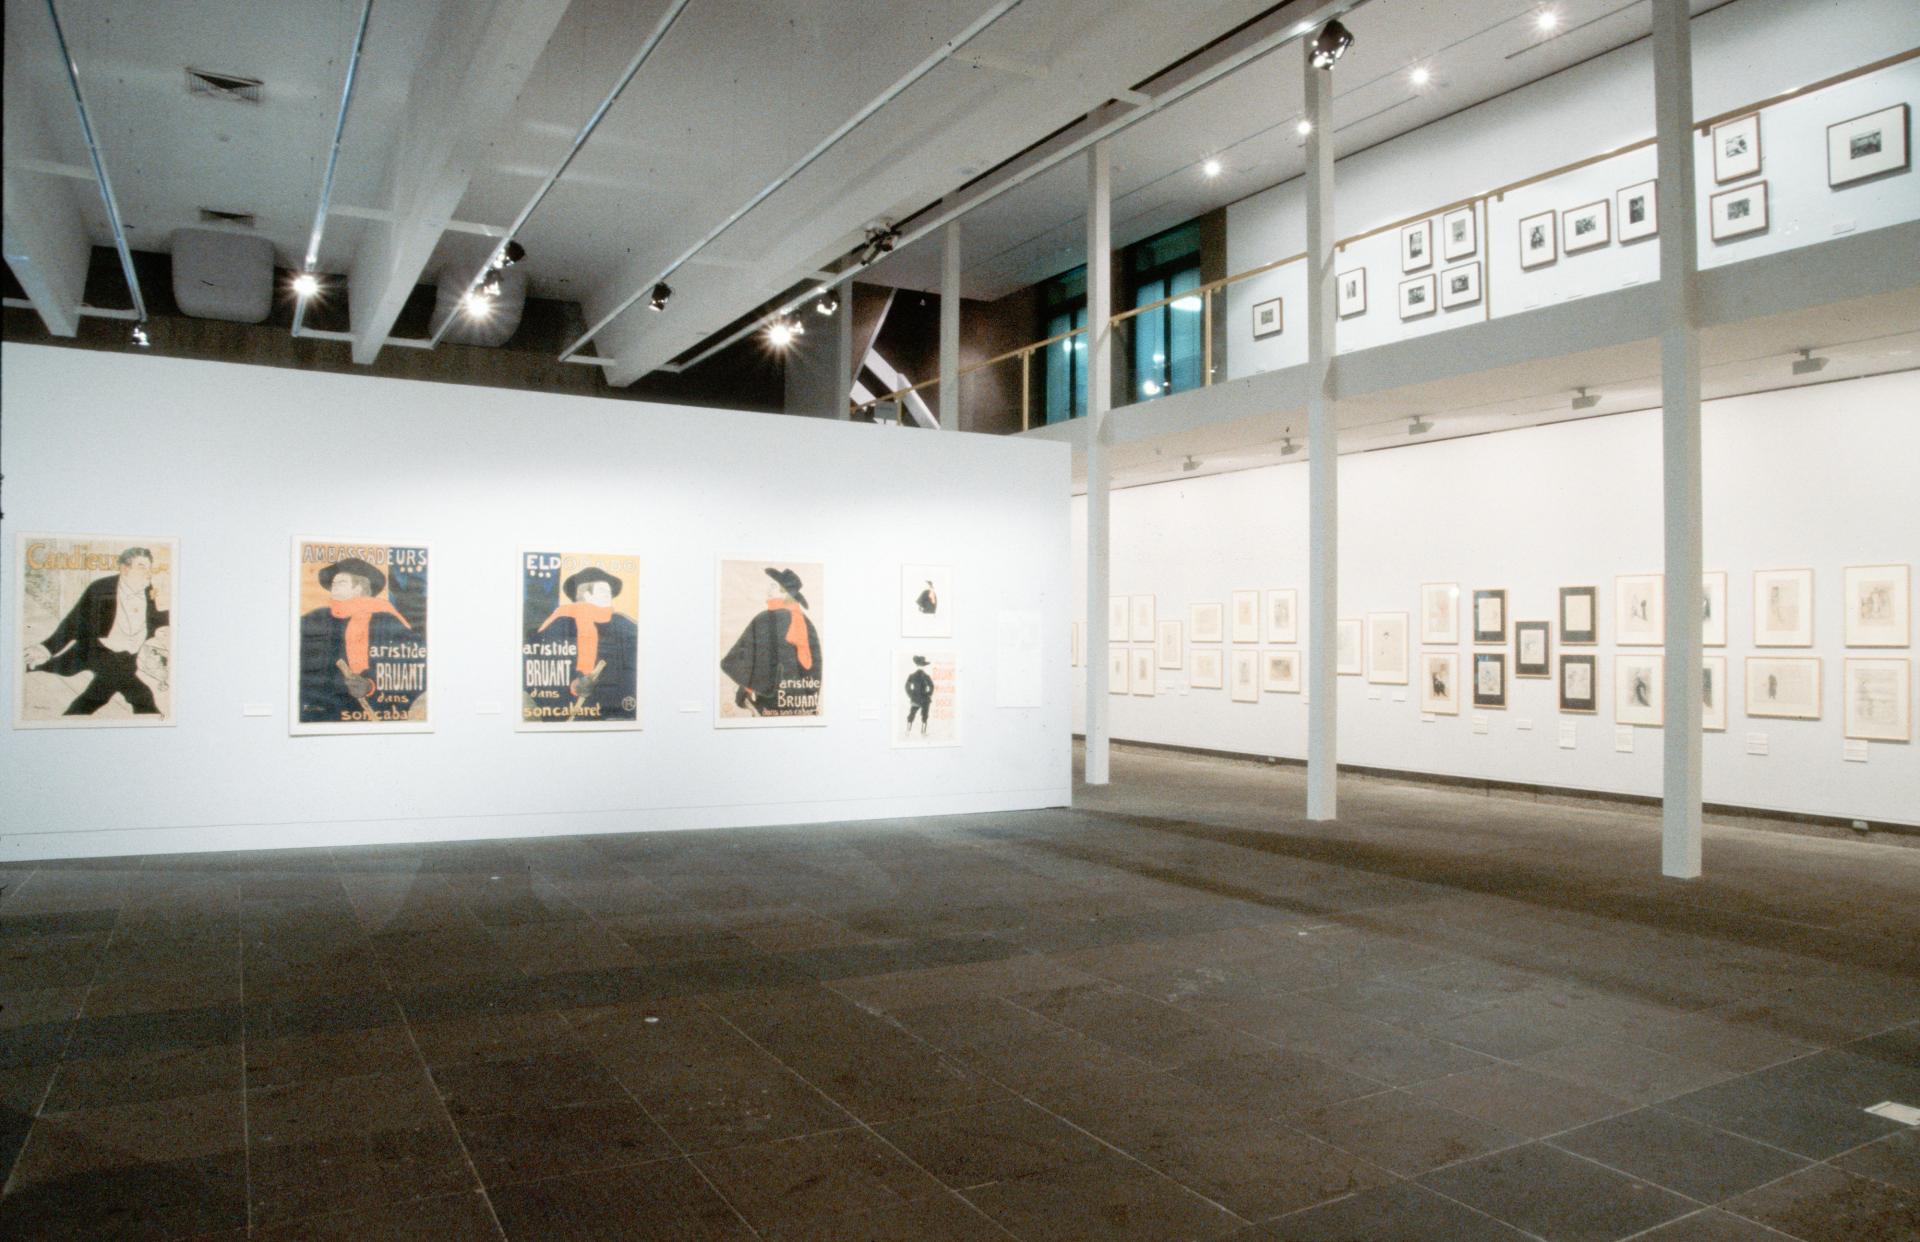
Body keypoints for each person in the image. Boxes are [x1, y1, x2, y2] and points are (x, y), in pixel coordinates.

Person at [23, 546, 170, 716]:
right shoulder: (102, 588)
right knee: (138, 695)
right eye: (141, 567)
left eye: (149, 567)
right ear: (125, 569)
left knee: (105, 693)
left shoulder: (151, 591)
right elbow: (74, 622)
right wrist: (46, 648)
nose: (148, 572)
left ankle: (71, 717)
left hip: (129, 658)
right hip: (101, 651)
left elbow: (157, 618)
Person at [297, 556, 418, 722]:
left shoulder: (386, 620)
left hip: (373, 710)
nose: (334, 585)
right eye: (333, 582)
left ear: (359, 588)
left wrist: (371, 686)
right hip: (324, 711)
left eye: (341, 582)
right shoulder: (317, 617)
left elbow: (409, 667)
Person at [535, 566, 637, 719]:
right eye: (603, 591)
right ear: (587, 595)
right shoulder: (561, 623)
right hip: (571, 710)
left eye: (609, 591)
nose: (609, 595)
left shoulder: (623, 624)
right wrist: (573, 685)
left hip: (616, 711)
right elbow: (542, 667)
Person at [720, 567, 821, 716]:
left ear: (784, 592)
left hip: (771, 701)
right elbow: (815, 669)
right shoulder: (807, 623)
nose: (768, 590)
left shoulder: (765, 619)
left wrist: (745, 689)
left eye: (773, 586)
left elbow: (757, 664)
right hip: (801, 702)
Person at [904, 655, 934, 735]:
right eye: (919, 665)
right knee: (913, 714)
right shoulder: (913, 676)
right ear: (917, 665)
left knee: (924, 715)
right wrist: (911, 695)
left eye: (922, 665)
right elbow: (907, 687)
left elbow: (931, 686)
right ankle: (908, 731)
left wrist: (928, 694)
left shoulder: (925, 676)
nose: (921, 667)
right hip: (918, 699)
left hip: (922, 699)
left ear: (924, 666)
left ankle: (922, 731)